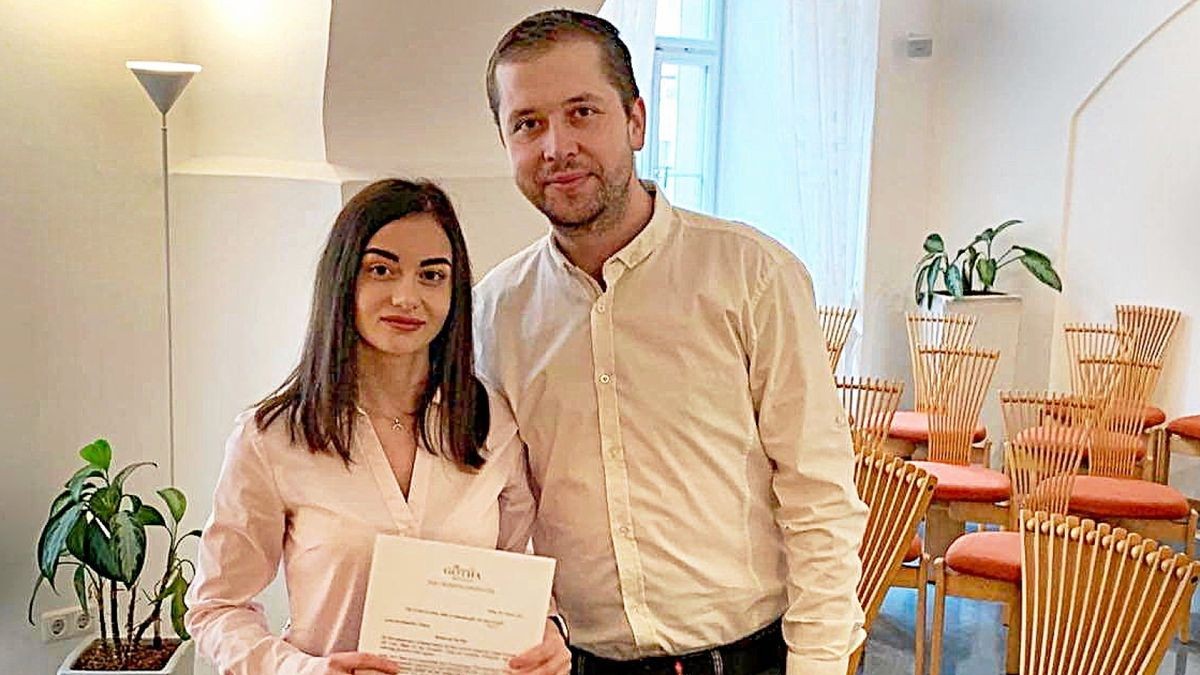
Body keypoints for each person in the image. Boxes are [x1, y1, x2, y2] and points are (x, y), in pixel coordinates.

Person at [473, 11, 868, 675]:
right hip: (577, 661)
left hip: (747, 657)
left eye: (581, 112)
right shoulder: (495, 313)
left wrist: (820, 662)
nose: (556, 147)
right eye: (528, 123)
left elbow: (818, 495)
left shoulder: (753, 275)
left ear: (635, 120)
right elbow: (500, 509)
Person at [186, 179, 570, 675]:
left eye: (432, 275)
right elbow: (217, 608)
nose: (407, 297)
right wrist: (303, 672)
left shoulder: (490, 422)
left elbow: (518, 580)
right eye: (381, 270)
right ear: (343, 279)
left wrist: (547, 633)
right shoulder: (273, 438)